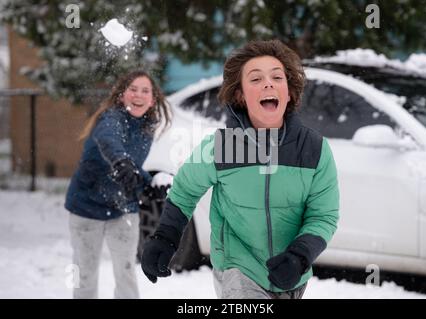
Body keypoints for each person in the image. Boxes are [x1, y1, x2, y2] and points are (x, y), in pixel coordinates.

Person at [141, 40, 339, 299]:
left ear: (289, 92)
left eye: (277, 77)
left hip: (292, 274)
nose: (268, 83)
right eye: (255, 79)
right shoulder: (220, 147)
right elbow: (185, 190)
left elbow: (323, 215)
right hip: (238, 269)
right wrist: (166, 236)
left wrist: (299, 256)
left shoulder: (314, 149)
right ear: (240, 95)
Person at [65, 70, 170, 299]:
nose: (138, 95)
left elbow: (132, 166)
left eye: (145, 91)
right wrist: (120, 162)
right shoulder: (110, 119)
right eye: (133, 89)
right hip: (86, 208)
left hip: (124, 208)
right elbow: (109, 141)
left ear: (153, 99)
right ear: (122, 95)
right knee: (85, 275)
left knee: (126, 273)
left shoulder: (146, 128)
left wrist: (150, 184)